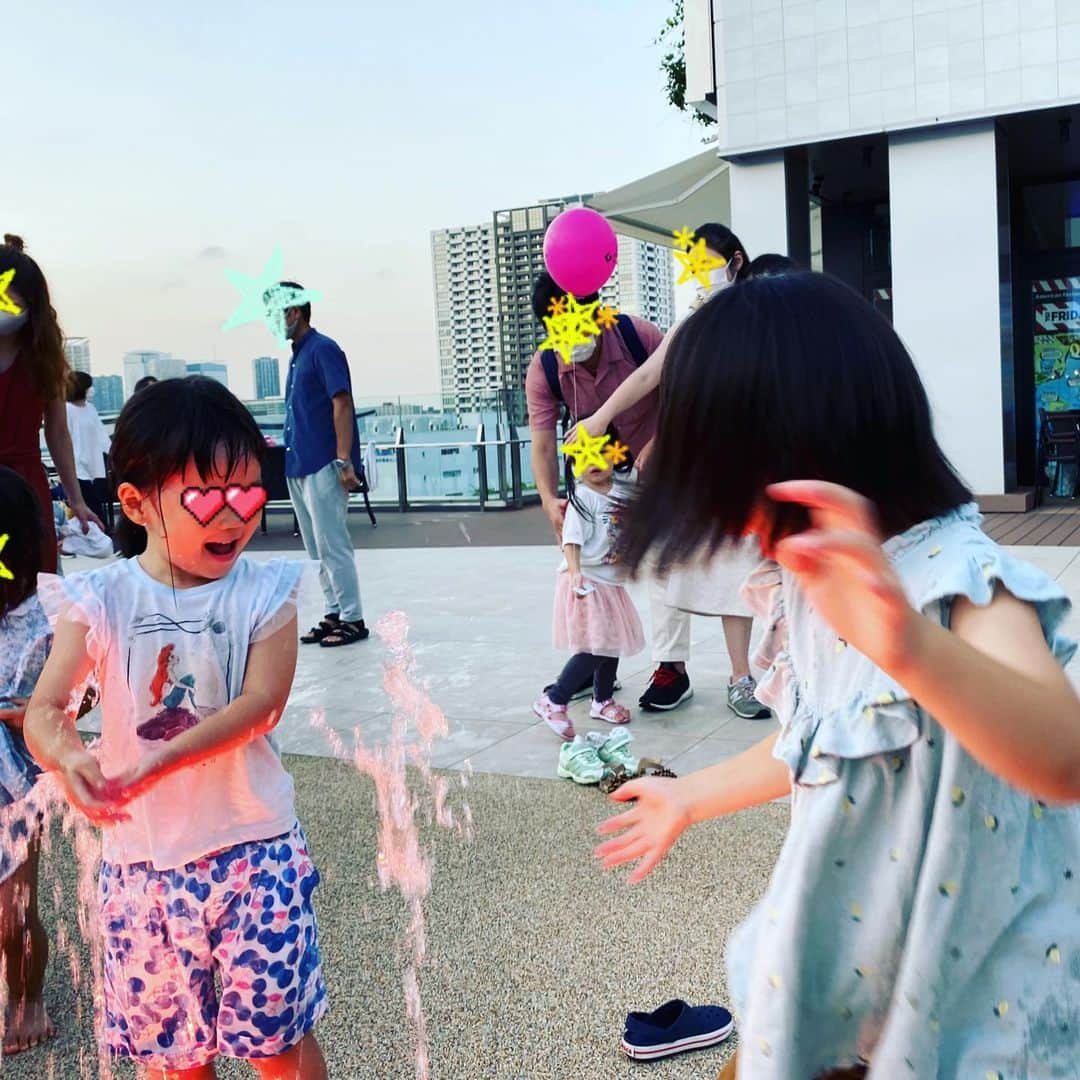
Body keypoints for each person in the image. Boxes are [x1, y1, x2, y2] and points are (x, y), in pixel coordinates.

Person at [597, 273, 1080, 1079]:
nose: (726, 529)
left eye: (725, 490)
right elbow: (817, 733)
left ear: (797, 447)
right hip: (856, 973)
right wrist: (691, 796)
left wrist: (909, 645)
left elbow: (1064, 753)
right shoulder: (814, 579)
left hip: (971, 1010)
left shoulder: (951, 576)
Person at [25, 377, 329, 1079]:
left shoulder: (266, 590)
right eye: (205, 498)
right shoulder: (102, 597)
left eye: (250, 492)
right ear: (135, 501)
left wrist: (157, 762)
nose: (234, 516)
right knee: (173, 1058)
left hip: (256, 855)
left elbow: (261, 705)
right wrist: (68, 758)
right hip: (142, 868)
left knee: (276, 1045)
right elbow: (46, 710)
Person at [572, 225, 769, 720]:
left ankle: (741, 677)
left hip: (744, 463)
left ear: (737, 261)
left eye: (709, 262)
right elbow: (649, 376)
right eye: (694, 265)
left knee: (736, 569)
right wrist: (598, 419)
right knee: (665, 561)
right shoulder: (693, 321)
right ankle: (670, 666)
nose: (702, 273)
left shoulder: (761, 317)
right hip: (691, 462)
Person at [526, 271, 696, 712]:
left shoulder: (637, 335)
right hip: (597, 478)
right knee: (591, 577)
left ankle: (670, 668)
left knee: (662, 566)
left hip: (656, 461)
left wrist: (659, 445)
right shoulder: (545, 366)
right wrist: (548, 497)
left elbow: (683, 392)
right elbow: (543, 441)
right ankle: (591, 668)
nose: (572, 339)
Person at [0, 234, 103, 575]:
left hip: (27, 485)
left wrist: (76, 501)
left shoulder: (44, 358)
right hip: (23, 480)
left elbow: (58, 433)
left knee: (36, 582)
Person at [279, 282, 368, 648]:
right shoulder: (298, 355)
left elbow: (342, 402)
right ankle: (334, 611)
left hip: (323, 463)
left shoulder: (323, 350)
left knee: (333, 544)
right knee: (316, 549)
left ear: (294, 312)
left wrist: (344, 460)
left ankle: (353, 617)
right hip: (298, 464)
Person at [0, 468, 55, 1055]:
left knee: (13, 912)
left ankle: (27, 1000)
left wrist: (41, 707)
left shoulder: (43, 618)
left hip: (14, 785)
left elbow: (86, 687)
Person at [533, 459, 645, 739]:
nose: (593, 462)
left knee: (611, 641)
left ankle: (602, 700)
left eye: (601, 453)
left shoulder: (620, 493)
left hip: (610, 582)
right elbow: (571, 540)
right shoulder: (583, 497)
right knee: (595, 646)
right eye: (583, 457)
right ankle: (555, 699)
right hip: (587, 580)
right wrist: (575, 574)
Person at [65, 371, 112, 527]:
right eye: (89, 386)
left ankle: (101, 541)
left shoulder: (90, 408)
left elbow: (101, 435)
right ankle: (102, 540)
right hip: (77, 467)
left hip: (94, 466)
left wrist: (113, 452)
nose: (91, 389)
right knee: (94, 509)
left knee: (97, 504)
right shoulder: (67, 409)